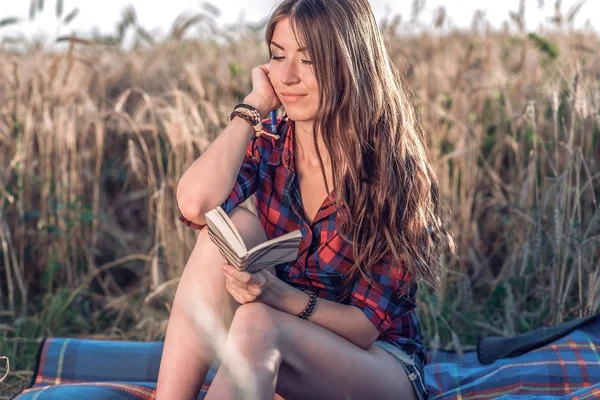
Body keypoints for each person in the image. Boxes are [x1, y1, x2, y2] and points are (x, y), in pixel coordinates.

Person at [156, 0, 453, 399]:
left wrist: (276, 295)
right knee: (225, 233)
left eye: (309, 60)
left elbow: (364, 327)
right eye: (278, 57)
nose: (288, 77)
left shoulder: (392, 173)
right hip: (279, 341)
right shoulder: (271, 139)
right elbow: (194, 205)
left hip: (378, 364)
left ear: (349, 65)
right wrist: (252, 109)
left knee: (258, 323)